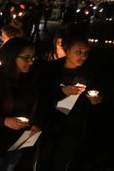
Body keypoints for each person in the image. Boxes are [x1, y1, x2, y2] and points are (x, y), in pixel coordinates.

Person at [35, 26, 107, 171]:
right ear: (67, 50)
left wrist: (94, 99)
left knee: (61, 162)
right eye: (79, 52)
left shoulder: (88, 72)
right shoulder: (51, 69)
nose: (83, 56)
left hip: (73, 127)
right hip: (50, 124)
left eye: (86, 53)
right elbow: (41, 94)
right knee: (44, 160)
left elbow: (97, 91)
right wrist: (62, 91)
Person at [0, 37, 40, 171]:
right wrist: (4, 121)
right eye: (27, 58)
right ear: (12, 56)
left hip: (20, 141)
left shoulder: (31, 78)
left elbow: (35, 105)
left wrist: (35, 123)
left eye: (32, 57)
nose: (31, 62)